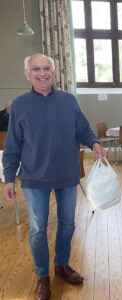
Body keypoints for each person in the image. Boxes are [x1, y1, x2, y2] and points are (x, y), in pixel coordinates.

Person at [2, 54, 105, 300]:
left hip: (67, 176)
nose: (42, 73)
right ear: (28, 74)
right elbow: (12, 145)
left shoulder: (69, 101)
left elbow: (83, 128)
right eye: (36, 69)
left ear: (54, 71)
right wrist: (8, 178)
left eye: (46, 68)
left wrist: (94, 142)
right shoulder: (19, 105)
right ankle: (42, 276)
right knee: (38, 230)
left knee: (68, 224)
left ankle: (61, 265)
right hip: (34, 179)